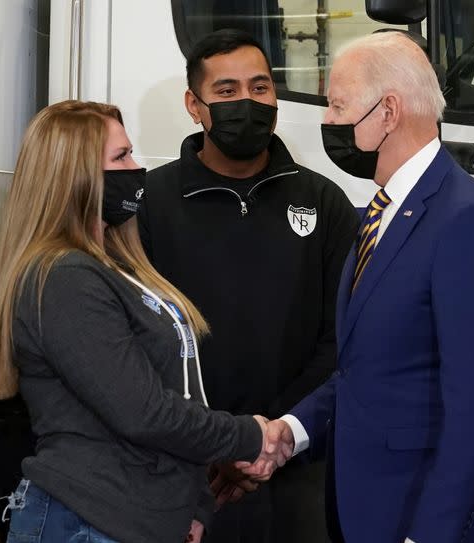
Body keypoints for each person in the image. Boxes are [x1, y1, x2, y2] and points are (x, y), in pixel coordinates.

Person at [245, 32, 474, 542]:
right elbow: (371, 368)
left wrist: (428, 534)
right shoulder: (382, 213)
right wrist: (291, 432)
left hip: (426, 518)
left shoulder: (466, 219)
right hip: (371, 508)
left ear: (388, 111)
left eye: (337, 105)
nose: (327, 121)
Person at [0, 100, 282, 543]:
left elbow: (181, 390)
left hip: (141, 520)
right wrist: (248, 435)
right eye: (121, 157)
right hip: (86, 523)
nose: (138, 167)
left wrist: (195, 504)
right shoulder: (63, 276)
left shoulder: (116, 267)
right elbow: (143, 412)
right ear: (76, 174)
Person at [138, 28, 359, 543]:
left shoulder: (324, 202)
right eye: (227, 91)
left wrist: (276, 436)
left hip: (298, 460)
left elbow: (345, 336)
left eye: (259, 88)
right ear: (195, 105)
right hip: (191, 468)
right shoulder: (153, 204)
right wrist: (221, 441)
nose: (247, 102)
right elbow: (141, 341)